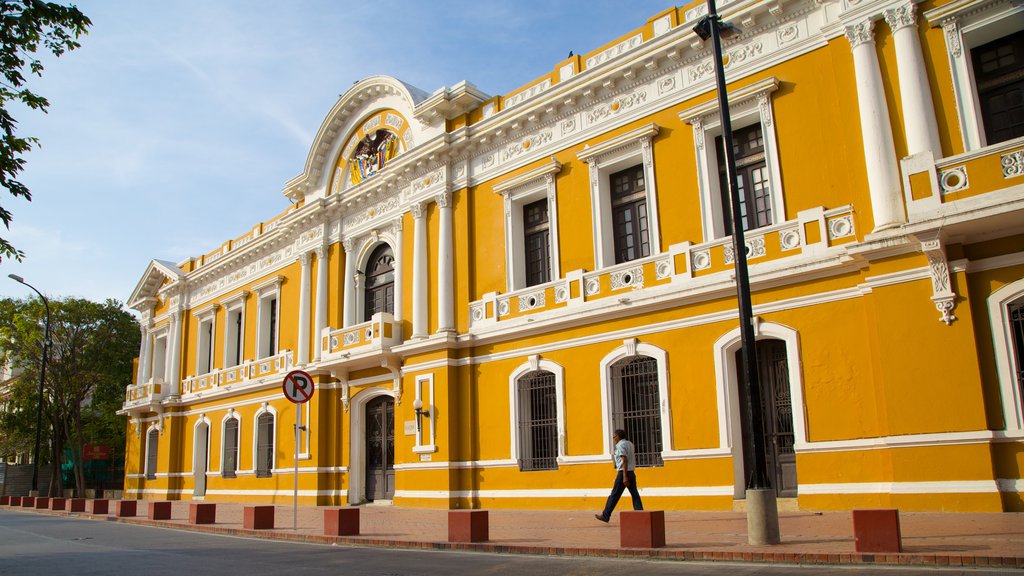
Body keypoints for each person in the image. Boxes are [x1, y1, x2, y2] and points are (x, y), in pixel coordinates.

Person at [595, 428, 643, 523]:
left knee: (614, 495)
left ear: (618, 436)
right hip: (631, 472)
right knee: (635, 494)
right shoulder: (630, 444)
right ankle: (641, 514)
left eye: (614, 436)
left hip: (623, 473)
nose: (613, 438)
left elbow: (624, 460)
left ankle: (606, 515)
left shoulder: (621, 445)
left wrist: (624, 476)